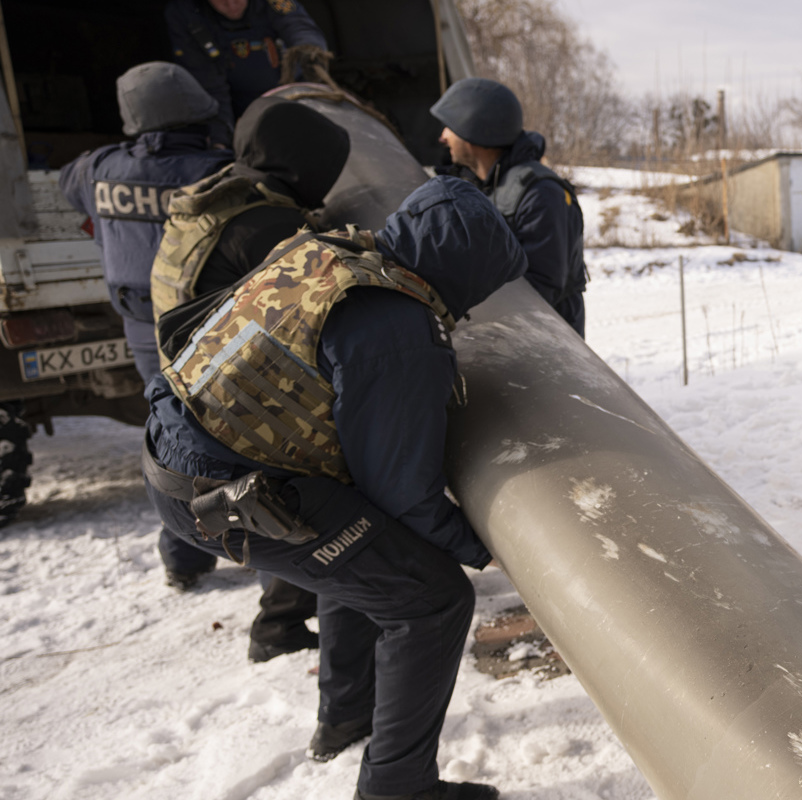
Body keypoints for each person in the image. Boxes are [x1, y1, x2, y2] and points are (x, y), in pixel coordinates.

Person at [143, 174, 526, 799]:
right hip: (224, 492)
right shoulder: (397, 329)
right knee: (430, 599)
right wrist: (493, 550)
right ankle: (397, 789)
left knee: (368, 547)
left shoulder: (326, 253)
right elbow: (405, 494)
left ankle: (346, 714)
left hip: (178, 447)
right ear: (467, 271)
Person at [151, 95, 351, 662]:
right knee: (323, 501)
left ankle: (280, 624)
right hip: (233, 408)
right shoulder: (269, 226)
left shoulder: (218, 200)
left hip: (191, 392)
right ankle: (280, 627)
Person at [58, 61, 233, 591]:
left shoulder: (97, 169)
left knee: (170, 435)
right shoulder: (218, 170)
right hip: (214, 325)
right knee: (233, 435)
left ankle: (183, 559)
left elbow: (72, 192)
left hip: (143, 329)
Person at [430, 78, 587, 337]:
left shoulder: (541, 194)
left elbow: (538, 291)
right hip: (500, 335)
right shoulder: (479, 184)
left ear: (474, 131)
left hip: (545, 347)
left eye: (450, 126)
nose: (443, 137)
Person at [164, 0, 327, 146]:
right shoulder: (185, 12)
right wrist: (220, 140)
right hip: (236, 108)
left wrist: (308, 50)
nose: (231, 5)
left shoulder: (273, 3)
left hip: (290, 96)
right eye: (222, 1)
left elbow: (298, 26)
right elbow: (209, 83)